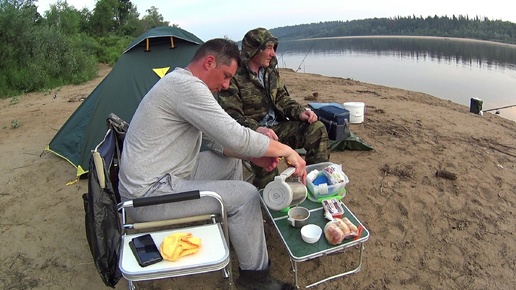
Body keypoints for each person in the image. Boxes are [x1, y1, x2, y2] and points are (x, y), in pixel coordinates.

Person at [118, 38, 304, 290]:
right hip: (149, 195)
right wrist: (286, 150)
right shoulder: (186, 87)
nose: (226, 85)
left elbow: (213, 140)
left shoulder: (181, 84)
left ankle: (236, 229)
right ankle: (256, 281)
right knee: (247, 195)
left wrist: (251, 156)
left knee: (229, 162)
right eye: (226, 76)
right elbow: (234, 135)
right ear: (209, 62)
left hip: (169, 173)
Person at [218, 27, 329, 189]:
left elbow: (282, 98)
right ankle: (270, 200)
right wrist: (257, 129)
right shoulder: (234, 75)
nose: (273, 53)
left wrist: (300, 112)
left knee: (317, 129)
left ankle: (317, 182)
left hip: (278, 128)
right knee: (268, 166)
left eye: (274, 48)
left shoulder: (270, 71)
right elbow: (231, 116)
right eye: (269, 48)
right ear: (255, 50)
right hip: (253, 136)